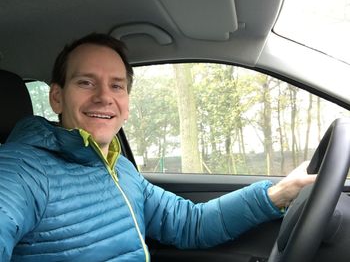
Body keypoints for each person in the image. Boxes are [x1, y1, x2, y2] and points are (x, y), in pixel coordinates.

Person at [0, 33, 316, 261]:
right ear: (57, 97)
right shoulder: (19, 169)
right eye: (85, 82)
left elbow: (193, 224)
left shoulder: (119, 169)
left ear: (126, 104)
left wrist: (281, 192)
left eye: (117, 85)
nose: (104, 96)